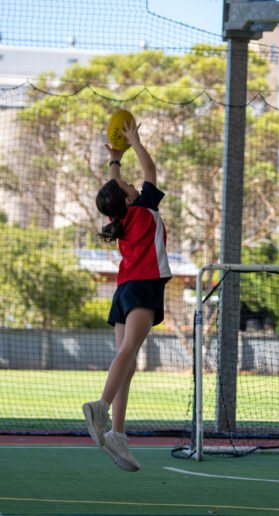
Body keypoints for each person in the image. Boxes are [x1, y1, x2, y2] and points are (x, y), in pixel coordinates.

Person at [82, 117, 172, 472]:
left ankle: (117, 434)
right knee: (129, 351)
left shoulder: (123, 218)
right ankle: (101, 407)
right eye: (127, 184)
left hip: (123, 290)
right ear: (129, 196)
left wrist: (115, 159)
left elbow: (116, 189)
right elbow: (150, 169)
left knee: (128, 362)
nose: (132, 183)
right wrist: (133, 140)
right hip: (143, 286)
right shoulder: (144, 206)